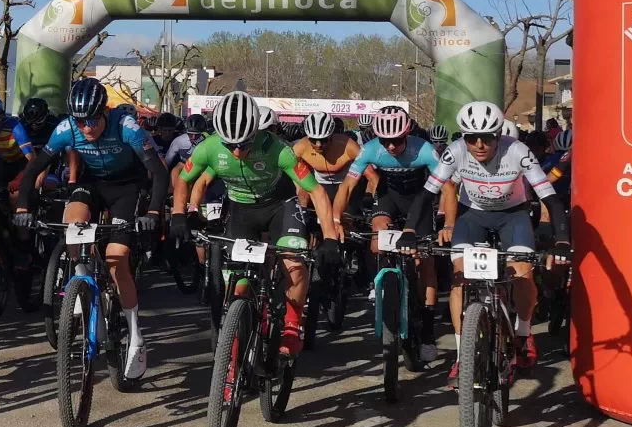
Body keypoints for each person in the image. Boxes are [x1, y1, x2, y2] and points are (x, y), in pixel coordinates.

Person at [18, 78, 169, 378]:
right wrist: (23, 206)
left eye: (92, 120)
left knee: (116, 258)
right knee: (71, 223)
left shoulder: (127, 127)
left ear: (105, 112)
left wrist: (153, 211)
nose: (86, 128)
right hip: (93, 185)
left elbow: (159, 172)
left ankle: (136, 335)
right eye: (80, 121)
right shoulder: (67, 129)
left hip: (127, 187)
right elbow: (34, 167)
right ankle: (82, 281)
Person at [426, 102, 571, 379]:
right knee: (459, 279)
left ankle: (523, 332)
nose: (480, 144)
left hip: (512, 217)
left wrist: (561, 238)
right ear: (463, 137)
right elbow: (428, 194)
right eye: (471, 138)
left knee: (522, 273)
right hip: (473, 217)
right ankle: (461, 355)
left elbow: (549, 197)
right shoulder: (455, 151)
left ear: (498, 135)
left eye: (487, 137)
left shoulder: (517, 150)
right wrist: (412, 231)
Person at [182, 91, 332, 356]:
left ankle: (291, 324)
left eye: (245, 143)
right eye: (231, 145)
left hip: (280, 208)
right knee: (237, 280)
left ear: (257, 133)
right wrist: (182, 213)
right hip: (241, 210)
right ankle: (237, 341)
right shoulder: (209, 148)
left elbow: (317, 192)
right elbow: (184, 179)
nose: (238, 151)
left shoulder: (279, 150)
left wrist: (330, 238)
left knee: (295, 267)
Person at [331, 106, 443, 360]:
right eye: (385, 141)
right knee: (377, 237)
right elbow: (347, 186)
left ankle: (427, 329)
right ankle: (383, 281)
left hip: (420, 201)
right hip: (388, 199)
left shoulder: (423, 148)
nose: (391, 147)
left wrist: (446, 220)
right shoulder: (370, 150)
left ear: (406, 133)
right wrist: (336, 219)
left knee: (424, 262)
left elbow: (446, 185)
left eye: (396, 140)